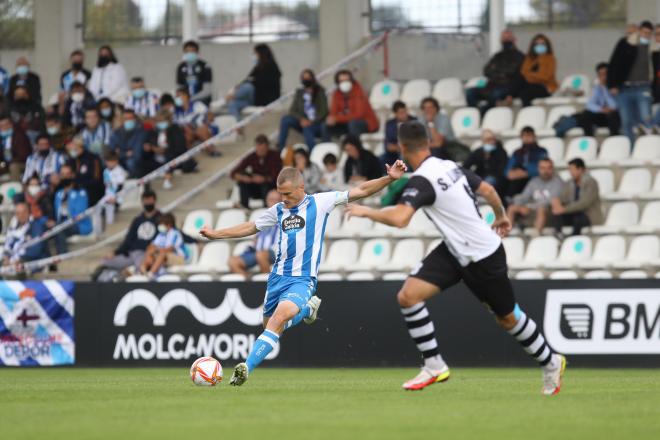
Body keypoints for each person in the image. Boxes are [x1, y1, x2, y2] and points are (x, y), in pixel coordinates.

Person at [344, 120, 566, 395]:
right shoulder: (448, 165)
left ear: (402, 147)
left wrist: (368, 212)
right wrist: (500, 215)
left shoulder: (422, 179)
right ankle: (434, 365)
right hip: (455, 249)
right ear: (427, 142)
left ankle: (551, 361)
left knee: (508, 319)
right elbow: (486, 189)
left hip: (482, 255)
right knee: (408, 296)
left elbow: (401, 218)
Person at [199, 158, 407, 386]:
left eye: (287, 194)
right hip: (276, 278)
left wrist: (389, 178)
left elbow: (360, 190)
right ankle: (308, 309)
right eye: (280, 194)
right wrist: (215, 234)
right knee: (270, 326)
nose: (283, 199)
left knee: (279, 318)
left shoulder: (321, 202)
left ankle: (245, 368)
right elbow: (250, 226)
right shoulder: (278, 210)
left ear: (301, 188)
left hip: (303, 279)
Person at [607, 20, 657, 141]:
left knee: (646, 118)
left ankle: (648, 146)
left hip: (643, 87)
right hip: (625, 88)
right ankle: (631, 148)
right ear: (639, 31)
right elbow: (614, 63)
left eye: (649, 33)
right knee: (626, 121)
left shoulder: (653, 48)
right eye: (644, 32)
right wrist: (612, 84)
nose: (646, 35)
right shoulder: (626, 43)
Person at [99, 189, 161, 277]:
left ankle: (134, 273)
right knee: (105, 261)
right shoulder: (137, 220)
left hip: (146, 252)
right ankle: (118, 275)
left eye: (149, 200)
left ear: (154, 200)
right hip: (131, 253)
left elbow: (165, 237)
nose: (147, 203)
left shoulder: (161, 219)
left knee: (141, 265)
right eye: (145, 200)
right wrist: (116, 252)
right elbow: (128, 239)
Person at [466, 29, 525, 114]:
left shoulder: (520, 57)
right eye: (504, 38)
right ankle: (475, 114)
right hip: (490, 86)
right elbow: (486, 70)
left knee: (494, 95)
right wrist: (502, 73)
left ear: (514, 39)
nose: (506, 41)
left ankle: (483, 114)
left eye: (508, 38)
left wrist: (496, 71)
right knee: (470, 92)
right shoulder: (497, 56)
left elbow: (516, 75)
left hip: (506, 88)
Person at [554, 63, 620, 137]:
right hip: (604, 114)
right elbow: (590, 104)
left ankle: (613, 139)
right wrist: (601, 109)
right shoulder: (597, 88)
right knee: (586, 115)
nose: (603, 77)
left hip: (615, 115)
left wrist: (605, 89)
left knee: (613, 116)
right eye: (600, 75)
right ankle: (589, 138)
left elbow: (615, 105)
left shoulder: (617, 86)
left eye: (605, 74)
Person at [228, 190, 280, 277]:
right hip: (257, 252)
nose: (273, 203)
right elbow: (256, 237)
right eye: (271, 200)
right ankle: (250, 285)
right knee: (232, 261)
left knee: (261, 255)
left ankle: (268, 285)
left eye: (276, 200)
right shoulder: (263, 217)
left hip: (275, 253)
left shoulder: (285, 216)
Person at [506, 158, 563, 234]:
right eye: (542, 168)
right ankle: (504, 236)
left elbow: (550, 201)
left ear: (552, 169)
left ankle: (536, 236)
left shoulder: (558, 182)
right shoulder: (534, 181)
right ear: (538, 169)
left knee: (541, 209)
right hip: (532, 212)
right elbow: (524, 196)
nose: (545, 171)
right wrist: (519, 204)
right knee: (511, 208)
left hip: (549, 213)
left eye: (548, 168)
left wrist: (530, 207)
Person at [227, 44, 282, 120]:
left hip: (264, 100)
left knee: (248, 87)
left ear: (261, 54)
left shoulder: (272, 67)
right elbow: (248, 79)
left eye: (254, 53)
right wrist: (238, 86)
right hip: (253, 99)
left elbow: (259, 83)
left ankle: (228, 97)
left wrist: (250, 82)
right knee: (232, 104)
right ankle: (238, 126)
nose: (253, 56)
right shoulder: (257, 67)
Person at [143, 109, 195, 190]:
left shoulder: (176, 129)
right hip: (158, 158)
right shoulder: (153, 132)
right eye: (158, 121)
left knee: (169, 156)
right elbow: (149, 143)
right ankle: (145, 186)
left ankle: (167, 179)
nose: (160, 123)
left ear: (169, 121)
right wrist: (151, 148)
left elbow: (180, 148)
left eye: (163, 121)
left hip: (173, 158)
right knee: (142, 160)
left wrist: (164, 150)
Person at [551, 158, 603, 238]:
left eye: (572, 169)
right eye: (570, 170)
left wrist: (564, 209)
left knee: (578, 219)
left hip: (588, 215)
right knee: (557, 213)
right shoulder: (569, 182)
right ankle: (558, 235)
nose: (570, 172)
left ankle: (573, 238)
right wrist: (556, 202)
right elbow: (562, 197)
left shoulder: (591, 182)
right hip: (573, 212)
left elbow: (584, 203)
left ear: (580, 170)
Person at [277, 69, 328, 150]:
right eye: (304, 78)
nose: (306, 80)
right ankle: (280, 147)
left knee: (307, 127)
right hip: (302, 121)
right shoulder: (299, 92)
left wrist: (311, 121)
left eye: (308, 77)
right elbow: (292, 110)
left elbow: (323, 111)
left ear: (312, 78)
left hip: (316, 123)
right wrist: (301, 119)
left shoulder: (320, 92)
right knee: (285, 119)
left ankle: (312, 151)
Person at [322, 69, 379, 140]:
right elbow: (333, 113)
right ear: (337, 83)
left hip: (366, 123)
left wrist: (337, 118)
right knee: (326, 125)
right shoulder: (336, 94)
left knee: (353, 124)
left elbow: (358, 115)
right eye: (341, 81)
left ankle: (355, 147)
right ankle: (326, 148)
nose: (344, 83)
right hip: (346, 123)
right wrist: (332, 119)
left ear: (351, 81)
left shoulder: (359, 92)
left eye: (347, 80)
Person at [230, 134, 282, 208]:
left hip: (271, 187)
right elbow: (234, 172)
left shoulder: (275, 156)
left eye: (262, 149)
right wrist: (243, 177)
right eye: (258, 148)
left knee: (265, 185)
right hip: (255, 188)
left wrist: (264, 179)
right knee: (243, 183)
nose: (260, 151)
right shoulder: (252, 156)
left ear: (267, 147)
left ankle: (267, 207)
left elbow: (277, 176)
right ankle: (244, 206)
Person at [53, 164, 93, 254]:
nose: (65, 177)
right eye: (62, 174)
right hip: (62, 224)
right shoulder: (58, 194)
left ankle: (63, 255)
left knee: (59, 227)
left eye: (67, 174)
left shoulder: (81, 193)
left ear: (72, 175)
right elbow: (57, 214)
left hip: (79, 225)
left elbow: (80, 214)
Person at [513, 34, 558, 107]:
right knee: (519, 79)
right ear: (533, 46)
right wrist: (532, 76)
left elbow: (545, 77)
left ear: (547, 45)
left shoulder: (551, 59)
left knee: (524, 93)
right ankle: (508, 96)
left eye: (542, 44)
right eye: (537, 44)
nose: (540, 46)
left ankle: (527, 112)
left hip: (545, 87)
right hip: (529, 85)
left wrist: (530, 75)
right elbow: (523, 73)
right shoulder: (529, 59)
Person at [139, 213, 187, 278]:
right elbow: (150, 246)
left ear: (169, 225)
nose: (160, 226)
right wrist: (151, 253)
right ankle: (142, 273)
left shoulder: (175, 234)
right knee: (149, 252)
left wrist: (156, 249)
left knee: (162, 253)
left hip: (179, 258)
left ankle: (151, 274)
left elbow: (169, 249)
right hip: (164, 257)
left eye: (162, 224)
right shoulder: (161, 235)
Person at [463, 129, 509, 197]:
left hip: (495, 178)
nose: (491, 142)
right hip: (480, 177)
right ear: (483, 141)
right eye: (488, 139)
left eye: (492, 139)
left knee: (487, 181)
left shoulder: (501, 152)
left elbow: (500, 170)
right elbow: (467, 164)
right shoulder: (478, 152)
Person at [505, 126, 548, 197]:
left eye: (529, 135)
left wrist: (526, 172)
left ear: (534, 136)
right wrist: (509, 174)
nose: (527, 138)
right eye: (524, 136)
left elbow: (542, 166)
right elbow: (508, 168)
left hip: (532, 177)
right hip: (517, 178)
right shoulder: (517, 152)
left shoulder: (541, 151)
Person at [2, 202, 49, 267]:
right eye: (18, 213)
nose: (21, 215)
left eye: (24, 212)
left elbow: (36, 250)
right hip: (13, 262)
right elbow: (9, 244)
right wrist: (6, 257)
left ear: (28, 213)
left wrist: (19, 260)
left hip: (29, 262)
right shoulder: (13, 227)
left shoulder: (36, 226)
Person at [420, 97, 466, 161]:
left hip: (449, 149)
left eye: (430, 107)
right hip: (430, 147)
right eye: (425, 108)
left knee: (434, 152)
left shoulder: (444, 119)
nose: (428, 110)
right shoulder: (421, 120)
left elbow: (438, 143)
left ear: (436, 108)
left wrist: (430, 123)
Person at [66, 136, 104, 206]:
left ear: (80, 146)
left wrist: (79, 184)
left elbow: (96, 180)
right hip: (77, 191)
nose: (71, 150)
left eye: (73, 147)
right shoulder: (71, 161)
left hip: (93, 192)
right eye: (69, 149)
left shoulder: (93, 159)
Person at [109, 109, 147, 177]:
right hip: (120, 162)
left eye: (131, 118)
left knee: (131, 162)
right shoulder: (116, 133)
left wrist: (120, 152)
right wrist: (125, 154)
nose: (128, 120)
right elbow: (112, 153)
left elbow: (137, 154)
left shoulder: (141, 132)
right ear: (122, 120)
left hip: (136, 164)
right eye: (126, 118)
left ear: (135, 119)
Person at [176, 40, 213, 105]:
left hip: (202, 101)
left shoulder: (205, 66)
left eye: (192, 51)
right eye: (187, 51)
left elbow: (207, 91)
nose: (190, 53)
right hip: (185, 102)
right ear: (184, 53)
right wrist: (180, 99)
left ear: (197, 52)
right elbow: (179, 88)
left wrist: (191, 99)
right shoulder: (181, 67)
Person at [382, 100, 415, 167]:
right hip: (394, 152)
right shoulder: (390, 124)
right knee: (382, 159)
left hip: (411, 150)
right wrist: (399, 148)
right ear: (395, 114)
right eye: (400, 113)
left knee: (404, 157)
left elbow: (416, 140)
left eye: (404, 112)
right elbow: (388, 145)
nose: (403, 115)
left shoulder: (414, 121)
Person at [0, 115, 31, 181]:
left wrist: (6, 163)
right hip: (6, 164)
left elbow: (23, 156)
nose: (3, 127)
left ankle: (16, 188)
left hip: (23, 163)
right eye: (1, 126)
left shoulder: (20, 136)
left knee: (14, 166)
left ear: (11, 125)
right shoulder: (2, 138)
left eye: (6, 124)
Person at [102, 151, 127, 225]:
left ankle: (110, 224)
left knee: (110, 206)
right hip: (107, 195)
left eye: (112, 161)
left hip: (117, 196)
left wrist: (115, 198)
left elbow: (120, 186)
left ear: (116, 161)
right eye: (108, 161)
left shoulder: (120, 171)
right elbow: (105, 185)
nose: (110, 163)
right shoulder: (105, 171)